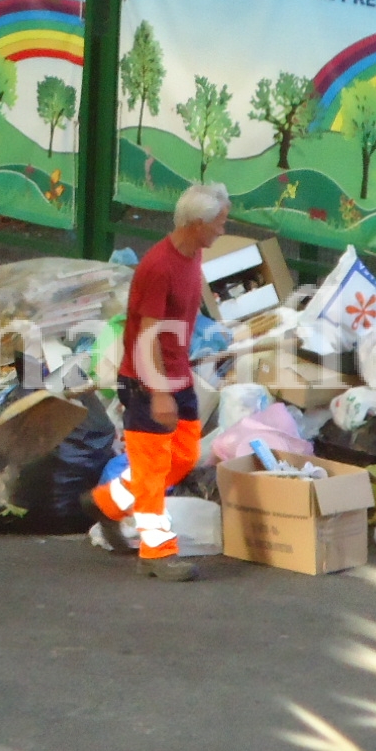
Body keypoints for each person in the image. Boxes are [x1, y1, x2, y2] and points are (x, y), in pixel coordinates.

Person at [88, 183, 229, 581]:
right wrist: (160, 393)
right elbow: (148, 336)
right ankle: (157, 552)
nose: (224, 229)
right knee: (151, 472)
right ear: (197, 223)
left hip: (178, 374)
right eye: (220, 222)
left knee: (182, 457)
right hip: (147, 382)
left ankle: (108, 502)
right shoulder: (158, 267)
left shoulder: (193, 254)